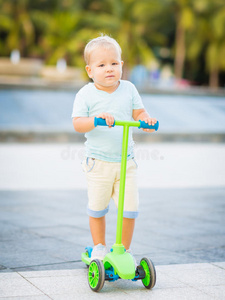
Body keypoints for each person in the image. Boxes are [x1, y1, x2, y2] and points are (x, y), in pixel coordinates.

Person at [72, 34, 157, 261]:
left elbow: (139, 113)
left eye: (113, 63)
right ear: (90, 71)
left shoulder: (129, 89)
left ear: (121, 65)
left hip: (126, 162)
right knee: (97, 207)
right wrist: (96, 119)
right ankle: (99, 246)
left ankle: (123, 250)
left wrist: (146, 120)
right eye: (101, 65)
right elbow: (78, 123)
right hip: (98, 162)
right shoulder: (86, 94)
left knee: (130, 208)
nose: (109, 69)